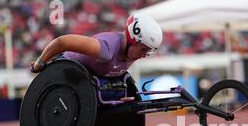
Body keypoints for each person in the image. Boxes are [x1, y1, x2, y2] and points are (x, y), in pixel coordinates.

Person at [30, 13, 162, 90]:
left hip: (86, 81)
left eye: (149, 51)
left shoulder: (132, 53)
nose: (144, 55)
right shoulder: (106, 50)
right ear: (133, 39)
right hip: (64, 72)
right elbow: (62, 42)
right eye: (144, 49)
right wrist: (39, 63)